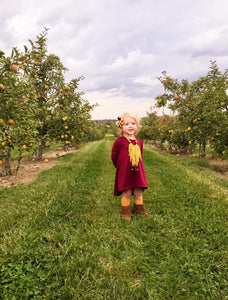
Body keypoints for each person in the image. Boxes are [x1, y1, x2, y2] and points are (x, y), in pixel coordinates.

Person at [111, 113, 149, 220]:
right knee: (126, 192)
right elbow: (114, 155)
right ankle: (125, 212)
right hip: (125, 172)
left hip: (137, 171)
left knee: (138, 191)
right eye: (126, 124)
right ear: (121, 127)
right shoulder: (119, 141)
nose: (130, 126)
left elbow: (140, 155)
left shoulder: (139, 142)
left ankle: (139, 209)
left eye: (133, 123)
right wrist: (119, 166)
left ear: (137, 126)